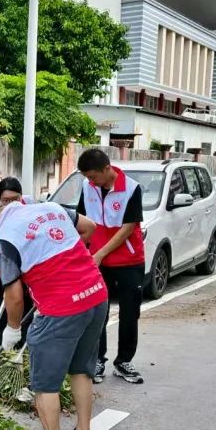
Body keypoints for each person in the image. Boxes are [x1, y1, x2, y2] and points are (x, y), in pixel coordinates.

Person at [0, 195, 106, 430]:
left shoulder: (4, 238)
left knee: (45, 384)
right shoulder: (50, 208)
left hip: (61, 309)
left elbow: (14, 295)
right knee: (81, 370)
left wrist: (12, 330)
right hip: (96, 295)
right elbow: (89, 226)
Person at [75, 148, 146, 385]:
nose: (90, 181)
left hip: (129, 261)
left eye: (93, 176)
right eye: (87, 177)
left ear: (107, 169)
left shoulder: (132, 188)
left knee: (129, 313)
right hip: (96, 260)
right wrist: (82, 252)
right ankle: (97, 359)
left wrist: (101, 253)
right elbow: (82, 221)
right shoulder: (88, 187)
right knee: (97, 313)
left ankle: (124, 361)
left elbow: (128, 227)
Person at [0, 177, 33, 348]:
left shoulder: (31, 212)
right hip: (0, 272)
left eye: (15, 199)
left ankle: (21, 362)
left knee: (23, 323)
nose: (11, 204)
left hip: (26, 274)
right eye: (6, 200)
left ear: (21, 197)